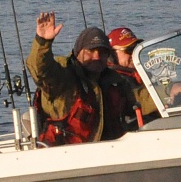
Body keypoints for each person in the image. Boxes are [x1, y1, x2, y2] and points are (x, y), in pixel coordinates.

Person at [27, 12, 136, 145]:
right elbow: (40, 70)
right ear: (78, 52)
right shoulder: (63, 79)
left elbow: (140, 98)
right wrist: (43, 42)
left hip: (109, 152)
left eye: (102, 52)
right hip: (66, 154)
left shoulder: (115, 81)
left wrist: (167, 93)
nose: (96, 56)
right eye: (90, 51)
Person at [108, 26, 160, 125]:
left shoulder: (142, 74)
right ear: (112, 55)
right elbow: (135, 99)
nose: (134, 54)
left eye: (136, 49)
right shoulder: (113, 81)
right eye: (129, 50)